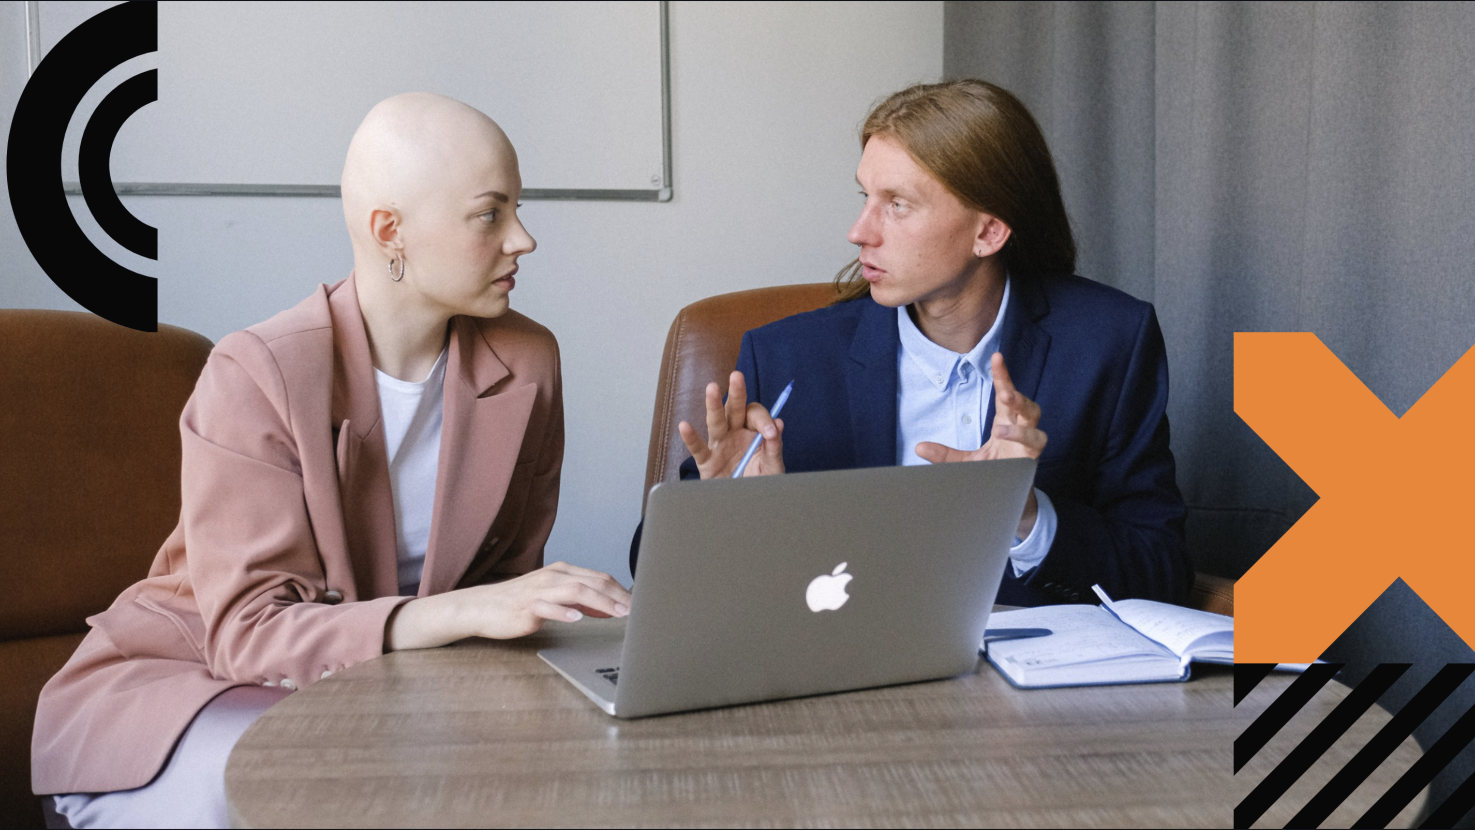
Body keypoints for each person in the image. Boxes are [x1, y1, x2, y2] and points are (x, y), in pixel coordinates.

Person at [32, 93, 632, 828]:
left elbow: (503, 594)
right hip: (192, 690)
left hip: (394, 698)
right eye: (490, 214)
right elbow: (247, 633)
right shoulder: (257, 372)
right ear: (390, 232)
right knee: (313, 797)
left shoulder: (527, 360)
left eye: (518, 210)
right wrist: (457, 612)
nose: (523, 239)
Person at [635, 80, 1187, 607]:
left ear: (988, 232)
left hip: (1026, 684)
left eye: (897, 204)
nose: (860, 231)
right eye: (866, 196)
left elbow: (1163, 570)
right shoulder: (786, 359)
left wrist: (1025, 515)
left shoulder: (1109, 341)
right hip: (842, 672)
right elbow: (648, 562)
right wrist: (724, 516)